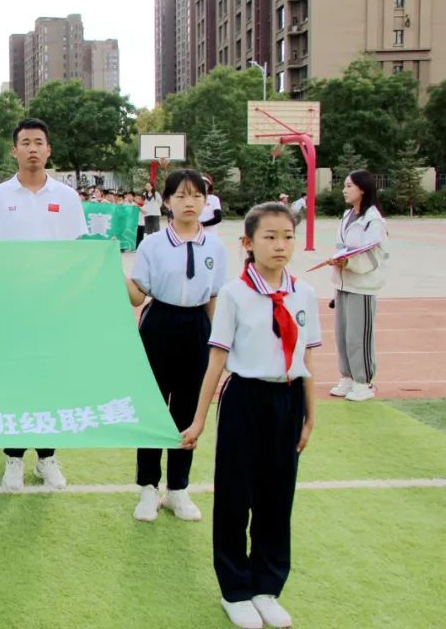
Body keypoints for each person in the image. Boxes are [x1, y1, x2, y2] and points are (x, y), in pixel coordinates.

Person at [181, 202, 320, 629]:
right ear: (247, 243)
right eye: (269, 237)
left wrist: (310, 416)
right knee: (236, 494)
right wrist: (200, 418)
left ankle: (267, 585)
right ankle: (236, 589)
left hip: (289, 399)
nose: (280, 245)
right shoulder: (234, 295)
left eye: (287, 237)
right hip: (245, 399)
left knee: (278, 496)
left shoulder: (305, 293)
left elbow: (307, 357)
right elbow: (217, 360)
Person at [0, 118, 88, 490]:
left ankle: (46, 457)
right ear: (14, 150)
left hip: (54, 307)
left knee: (50, 380)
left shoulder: (67, 197)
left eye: (39, 142)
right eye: (25, 142)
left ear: (49, 149)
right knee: (14, 380)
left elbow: (78, 254)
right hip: (11, 307)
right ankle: (12, 458)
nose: (33, 148)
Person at [125, 169, 227, 523]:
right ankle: (148, 488)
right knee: (153, 407)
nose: (189, 202)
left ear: (206, 201)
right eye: (181, 196)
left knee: (187, 410)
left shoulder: (215, 246)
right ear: (166, 201)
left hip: (197, 326)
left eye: (196, 196)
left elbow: (215, 297)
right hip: (159, 324)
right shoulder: (152, 244)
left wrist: (219, 343)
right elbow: (139, 295)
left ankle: (178, 488)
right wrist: (112, 272)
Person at [328, 170, 387, 402]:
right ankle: (347, 377)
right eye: (345, 185)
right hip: (343, 282)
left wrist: (349, 262)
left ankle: (363, 382)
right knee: (342, 333)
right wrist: (338, 259)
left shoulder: (374, 221)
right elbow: (341, 246)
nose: (345, 189)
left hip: (362, 286)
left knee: (358, 335)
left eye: (349, 186)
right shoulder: (347, 216)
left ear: (362, 189)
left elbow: (373, 256)